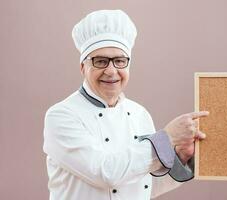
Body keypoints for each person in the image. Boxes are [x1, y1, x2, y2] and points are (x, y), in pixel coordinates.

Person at [43, 9, 209, 200]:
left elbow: (144, 186)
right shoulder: (62, 115)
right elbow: (105, 173)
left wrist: (182, 157)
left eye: (120, 61)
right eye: (101, 61)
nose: (111, 71)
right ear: (83, 67)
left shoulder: (139, 113)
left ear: (128, 65)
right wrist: (167, 138)